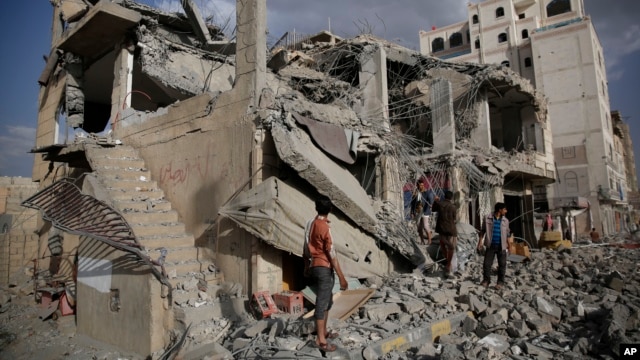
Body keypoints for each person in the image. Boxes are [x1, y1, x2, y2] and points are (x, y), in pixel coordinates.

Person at [303, 196, 348, 353]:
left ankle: (324, 332)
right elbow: (331, 253)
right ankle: (320, 340)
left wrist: (306, 266)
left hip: (314, 265)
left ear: (316, 208)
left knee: (327, 300)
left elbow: (305, 247)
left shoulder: (310, 223)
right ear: (330, 210)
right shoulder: (324, 227)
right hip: (324, 267)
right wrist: (341, 277)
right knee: (322, 303)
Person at [478, 202, 512, 289]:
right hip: (491, 245)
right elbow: (482, 231)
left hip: (501, 246)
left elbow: (508, 234)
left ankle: (500, 282)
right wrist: (480, 242)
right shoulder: (488, 218)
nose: (506, 211)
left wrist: (510, 246)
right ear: (499, 210)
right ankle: (486, 280)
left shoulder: (505, 220)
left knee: (502, 265)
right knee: (487, 264)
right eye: (504, 209)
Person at [433, 190, 457, 277]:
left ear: (444, 196)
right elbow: (454, 218)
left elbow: (433, 209)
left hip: (441, 229)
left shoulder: (440, 204)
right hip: (451, 229)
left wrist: (436, 201)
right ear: (451, 198)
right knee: (451, 247)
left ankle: (448, 263)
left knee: (443, 244)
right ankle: (448, 264)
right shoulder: (453, 207)